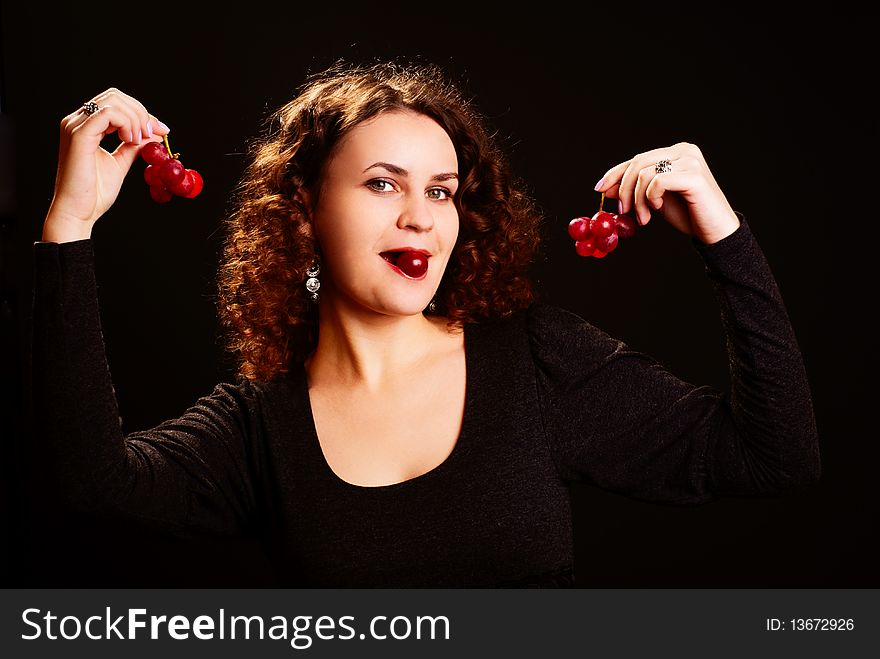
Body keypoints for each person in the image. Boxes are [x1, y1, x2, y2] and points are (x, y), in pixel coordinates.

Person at [30, 60, 821, 588]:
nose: (420, 217)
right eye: (383, 183)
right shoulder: (256, 422)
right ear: (303, 209)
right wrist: (68, 229)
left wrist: (725, 236)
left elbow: (773, 456)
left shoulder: (536, 359)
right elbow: (92, 487)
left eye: (441, 191)